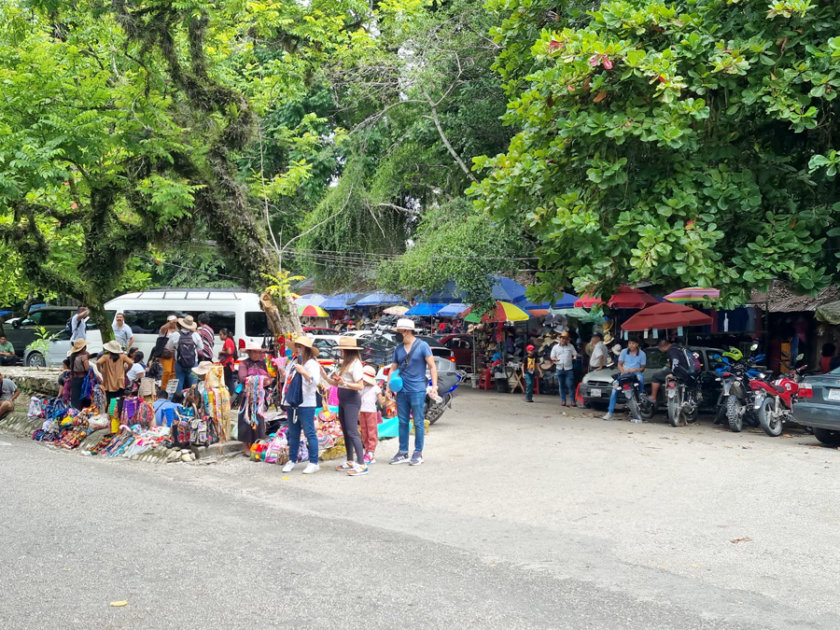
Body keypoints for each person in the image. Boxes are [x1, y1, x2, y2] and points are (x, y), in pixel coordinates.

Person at [386, 318, 438, 466]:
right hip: (401, 390)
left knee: (419, 421)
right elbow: (393, 368)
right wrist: (388, 387)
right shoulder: (398, 349)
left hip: (417, 390)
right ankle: (403, 452)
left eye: (399, 332)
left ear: (407, 331)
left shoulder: (423, 346)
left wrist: (434, 386)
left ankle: (418, 452)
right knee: (402, 421)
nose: (397, 334)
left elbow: (432, 366)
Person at [281, 336, 322, 475]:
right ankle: (292, 460)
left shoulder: (312, 364)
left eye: (300, 347)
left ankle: (314, 462)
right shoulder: (292, 361)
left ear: (306, 349)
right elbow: (288, 381)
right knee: (293, 433)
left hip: (306, 403)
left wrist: (303, 371)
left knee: (310, 432)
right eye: (296, 346)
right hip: (292, 401)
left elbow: (315, 381)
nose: (297, 349)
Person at [237, 342, 271, 455]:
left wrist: (267, 381)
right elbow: (243, 378)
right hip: (248, 396)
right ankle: (246, 446)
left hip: (260, 397)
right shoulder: (244, 364)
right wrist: (261, 380)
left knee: (259, 420)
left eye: (258, 352)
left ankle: (256, 444)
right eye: (254, 352)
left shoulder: (263, 363)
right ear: (249, 353)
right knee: (246, 420)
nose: (257, 354)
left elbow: (269, 378)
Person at [602, 338, 647, 421]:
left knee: (640, 378)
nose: (631, 345)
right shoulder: (623, 352)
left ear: (637, 344)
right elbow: (619, 364)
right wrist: (623, 372)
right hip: (624, 373)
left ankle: (641, 393)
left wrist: (634, 370)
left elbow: (642, 368)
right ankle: (610, 412)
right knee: (614, 389)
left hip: (635, 373)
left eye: (633, 343)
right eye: (630, 343)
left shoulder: (642, 354)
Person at [96, 340, 133, 419]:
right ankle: (118, 416)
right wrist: (126, 370)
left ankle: (111, 416)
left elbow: (98, 362)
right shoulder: (122, 356)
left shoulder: (106, 356)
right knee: (119, 399)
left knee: (110, 400)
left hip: (109, 381)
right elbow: (131, 362)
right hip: (119, 381)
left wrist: (101, 370)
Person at [166, 315, 202, 393]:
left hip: (179, 363)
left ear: (182, 324)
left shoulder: (175, 335)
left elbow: (169, 348)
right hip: (193, 364)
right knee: (193, 383)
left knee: (179, 382)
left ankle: (179, 399)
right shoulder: (196, 335)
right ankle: (193, 401)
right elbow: (200, 348)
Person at [649, 338, 690, 403]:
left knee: (655, 376)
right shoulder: (678, 347)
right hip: (686, 372)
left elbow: (675, 363)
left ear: (662, 347)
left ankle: (653, 397)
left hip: (679, 372)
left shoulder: (672, 351)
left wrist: (672, 373)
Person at [358, 365, 381, 465]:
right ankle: (367, 450)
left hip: (371, 411)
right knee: (364, 431)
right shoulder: (361, 387)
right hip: (362, 411)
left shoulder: (376, 388)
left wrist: (385, 400)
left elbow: (381, 400)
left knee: (372, 431)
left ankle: (371, 452)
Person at [550, 332, 578, 406]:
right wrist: (554, 359)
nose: (564, 340)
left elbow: (575, 353)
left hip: (569, 369)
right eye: (562, 338)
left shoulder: (570, 346)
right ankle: (563, 400)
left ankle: (573, 401)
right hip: (559, 368)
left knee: (570, 385)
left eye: (565, 338)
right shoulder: (555, 347)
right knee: (561, 385)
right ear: (560, 338)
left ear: (568, 340)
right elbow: (552, 356)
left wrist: (574, 357)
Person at [68, 338, 92, 410]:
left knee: (75, 397)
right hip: (82, 380)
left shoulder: (72, 356)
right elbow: (87, 369)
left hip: (74, 379)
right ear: (84, 347)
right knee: (84, 398)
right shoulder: (83, 357)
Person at [218, 328, 237, 392]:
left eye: (221, 335)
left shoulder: (228, 341)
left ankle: (232, 395)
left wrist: (221, 352)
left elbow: (229, 352)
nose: (220, 336)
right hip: (229, 363)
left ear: (225, 335)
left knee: (228, 380)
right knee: (229, 380)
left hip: (227, 364)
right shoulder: (229, 340)